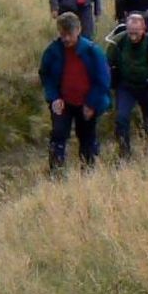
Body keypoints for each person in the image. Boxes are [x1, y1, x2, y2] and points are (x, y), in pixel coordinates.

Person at [39, 11, 109, 174]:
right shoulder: (53, 51)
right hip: (63, 102)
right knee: (58, 135)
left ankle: (88, 172)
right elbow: (45, 75)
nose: (66, 39)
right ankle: (56, 172)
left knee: (87, 138)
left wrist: (91, 104)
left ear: (78, 30)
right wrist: (54, 97)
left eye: (69, 34)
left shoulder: (92, 51)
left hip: (86, 103)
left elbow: (103, 81)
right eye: (63, 34)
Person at [105, 11, 148, 158]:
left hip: (146, 87)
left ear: (143, 29)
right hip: (126, 86)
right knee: (121, 119)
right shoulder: (118, 42)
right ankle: (124, 153)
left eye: (136, 32)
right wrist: (108, 81)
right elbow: (106, 64)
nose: (132, 35)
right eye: (130, 32)